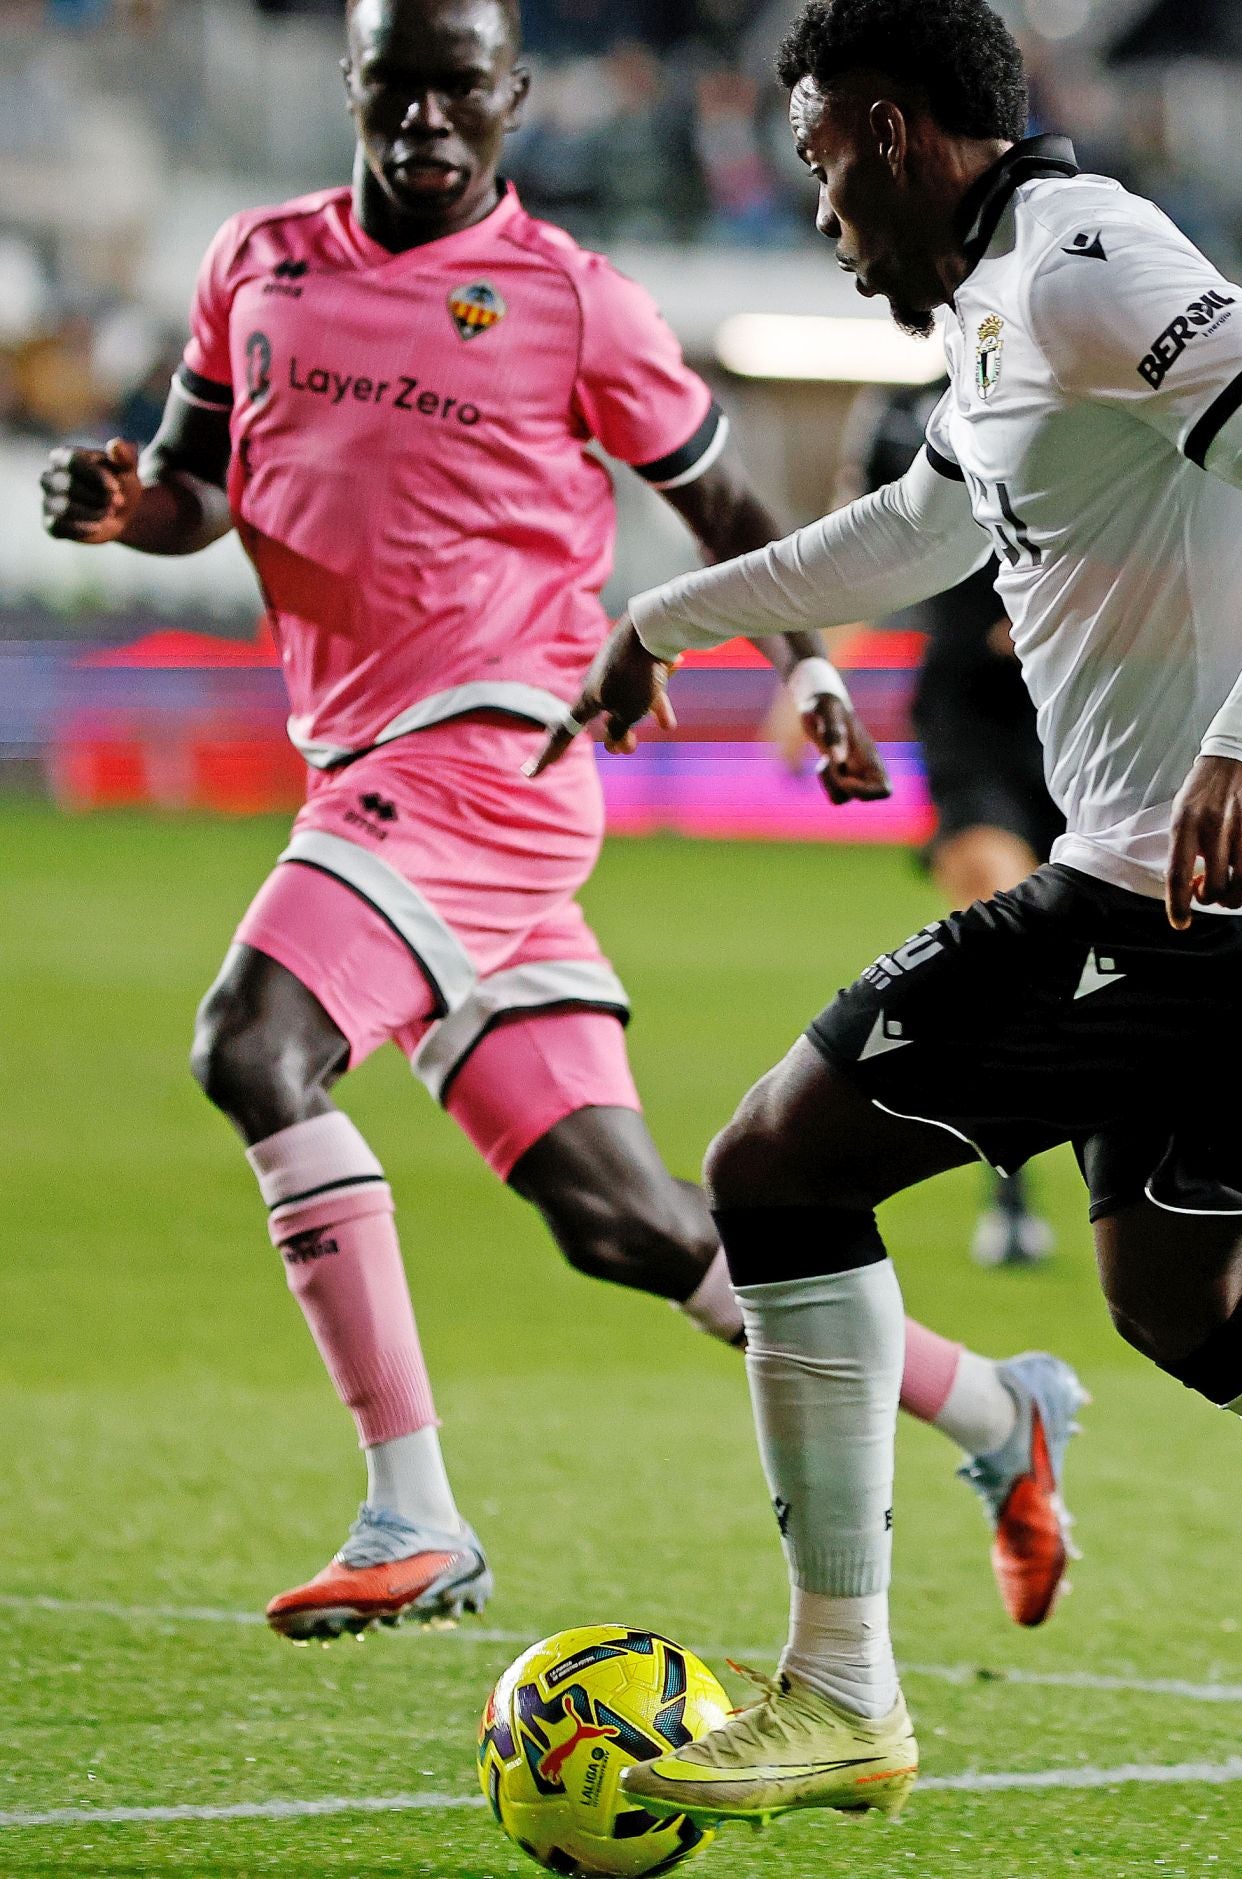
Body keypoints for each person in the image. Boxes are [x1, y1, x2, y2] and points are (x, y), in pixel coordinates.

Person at [538, 0, 1242, 1847]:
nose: (818, 208)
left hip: (1186, 885)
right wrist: (667, 616)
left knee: (774, 1167)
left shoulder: (1088, 260)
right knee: (1181, 1292)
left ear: (897, 134)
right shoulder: (1002, 303)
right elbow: (922, 529)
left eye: (824, 162)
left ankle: (841, 1685)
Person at [38, 0, 1082, 1643]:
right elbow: (195, 488)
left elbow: (725, 505)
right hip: (370, 770)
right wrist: (124, 505)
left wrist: (809, 665)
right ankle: (993, 1405)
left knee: (254, 1044)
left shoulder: (573, 299)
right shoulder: (256, 262)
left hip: (489, 756)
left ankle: (412, 1507)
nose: (427, 120)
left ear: (513, 95)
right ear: (353, 86)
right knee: (629, 1222)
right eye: (397, 88)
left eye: (459, 89)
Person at [844, 376, 1062, 1265]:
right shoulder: (906, 413)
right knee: (1003, 938)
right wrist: (812, 667)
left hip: (1093, 711)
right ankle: (1010, 1198)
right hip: (971, 716)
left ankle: (1142, 1193)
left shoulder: (1101, 383)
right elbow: (862, 541)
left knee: (1097, 965)